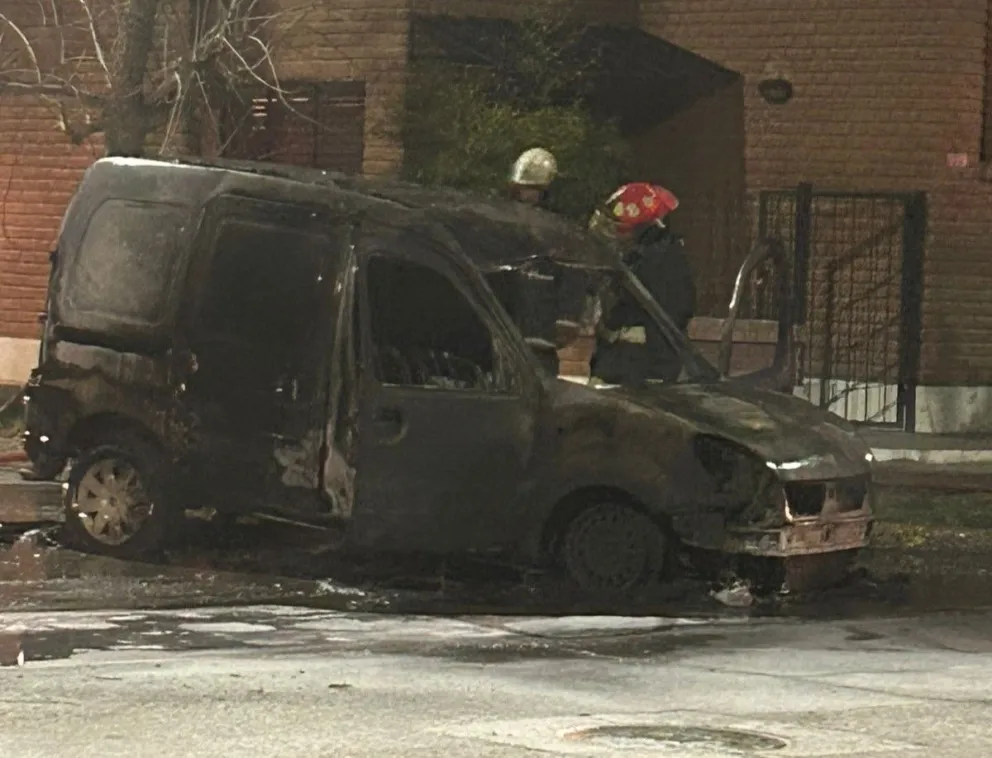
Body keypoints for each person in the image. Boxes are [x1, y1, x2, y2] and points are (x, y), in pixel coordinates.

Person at [587, 182, 695, 385]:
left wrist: (655, 376)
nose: (615, 235)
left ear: (641, 229)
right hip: (620, 369)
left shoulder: (660, 263)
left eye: (620, 229)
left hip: (640, 376)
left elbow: (669, 320)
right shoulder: (637, 259)